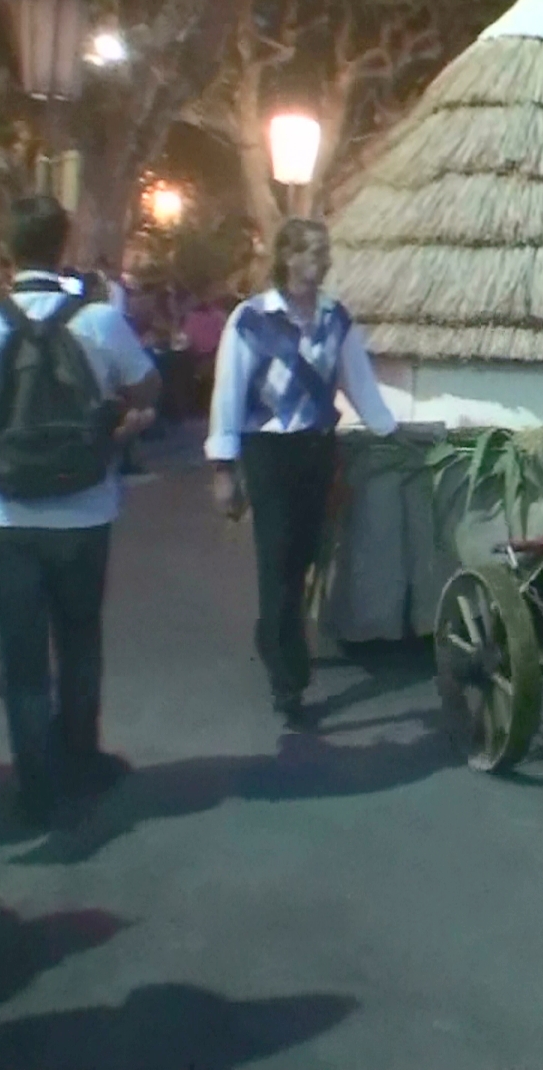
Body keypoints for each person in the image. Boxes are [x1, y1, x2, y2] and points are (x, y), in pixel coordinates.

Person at [0, 197, 160, 823]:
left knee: (20, 657)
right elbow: (147, 386)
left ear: (6, 249)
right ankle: (82, 760)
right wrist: (116, 422)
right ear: (64, 245)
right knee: (79, 640)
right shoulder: (99, 321)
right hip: (83, 507)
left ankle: (35, 785)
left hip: (0, 510)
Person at [207, 220, 398, 728]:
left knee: (306, 556)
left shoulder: (336, 319)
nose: (324, 259)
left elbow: (359, 384)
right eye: (314, 251)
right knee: (277, 558)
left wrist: (391, 432)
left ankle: (272, 634)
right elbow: (228, 392)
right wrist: (223, 467)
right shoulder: (251, 319)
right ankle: (288, 682)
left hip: (316, 448)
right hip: (268, 450)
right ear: (288, 257)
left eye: (326, 250)